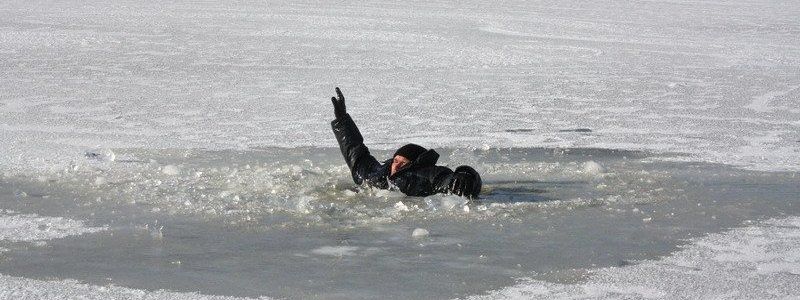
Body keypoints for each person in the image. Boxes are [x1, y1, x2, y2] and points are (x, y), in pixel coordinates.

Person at [329, 87, 482, 199]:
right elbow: (356, 152)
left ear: (415, 163)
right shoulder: (378, 173)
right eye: (396, 160)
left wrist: (465, 175)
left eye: (404, 162)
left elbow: (449, 179)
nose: (397, 165)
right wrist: (342, 120)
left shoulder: (428, 174)